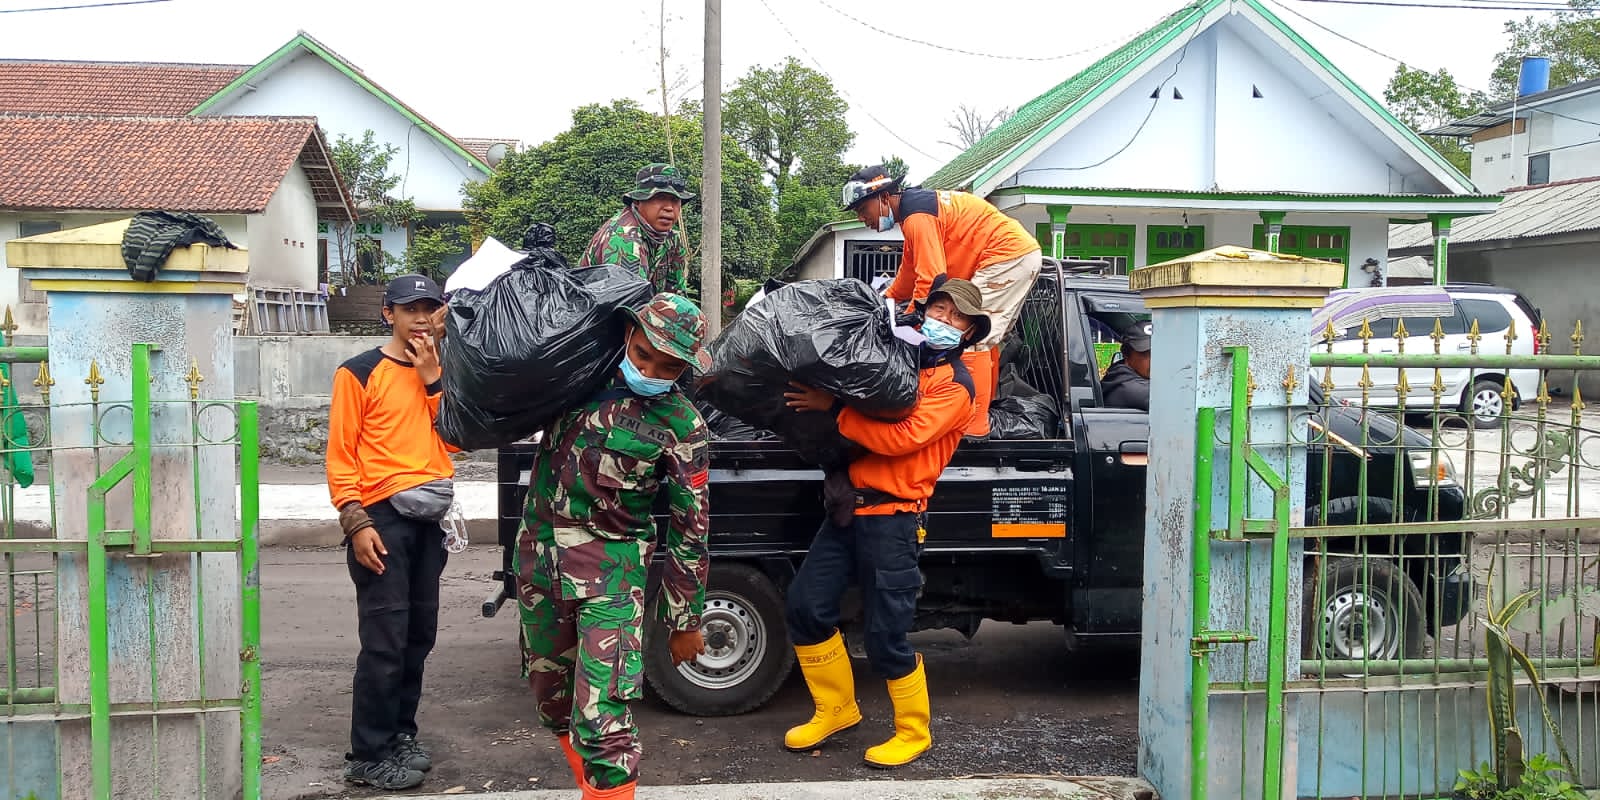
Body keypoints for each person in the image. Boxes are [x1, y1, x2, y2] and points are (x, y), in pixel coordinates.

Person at [780, 277, 991, 769]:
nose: (944, 321)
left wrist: (834, 408)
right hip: (846, 510)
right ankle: (836, 709)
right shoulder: (901, 361)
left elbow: (905, 438)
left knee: (885, 635)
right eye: (939, 309)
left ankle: (913, 732)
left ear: (968, 332)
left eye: (957, 317)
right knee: (805, 607)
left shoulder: (956, 386)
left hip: (894, 519)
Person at [516, 293, 714, 800]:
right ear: (628, 334)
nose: (648, 370)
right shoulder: (580, 377)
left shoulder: (681, 425)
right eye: (643, 354)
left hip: (612, 570)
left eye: (668, 366)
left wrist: (684, 619)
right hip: (539, 560)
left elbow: (691, 528)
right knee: (552, 701)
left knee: (602, 719)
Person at [327, 274, 457, 791]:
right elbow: (341, 455)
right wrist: (354, 520)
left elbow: (456, 441)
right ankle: (368, 753)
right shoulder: (358, 372)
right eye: (409, 309)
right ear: (389, 314)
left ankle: (400, 733)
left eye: (429, 308)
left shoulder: (442, 370)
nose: (420, 318)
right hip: (381, 518)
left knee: (418, 636)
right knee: (384, 641)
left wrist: (432, 380)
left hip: (429, 518)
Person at [842, 165, 1042, 438]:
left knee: (968, 335)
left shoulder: (917, 217)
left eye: (863, 209)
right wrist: (881, 303)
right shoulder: (913, 215)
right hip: (1013, 256)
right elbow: (909, 274)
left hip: (1006, 257)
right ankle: (982, 411)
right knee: (984, 338)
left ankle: (973, 427)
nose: (862, 218)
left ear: (884, 198)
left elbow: (933, 279)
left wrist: (911, 324)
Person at [578, 163, 695, 294]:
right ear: (638, 202)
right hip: (601, 306)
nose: (669, 207)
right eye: (660, 198)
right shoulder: (624, 238)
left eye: (675, 200)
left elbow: (677, 293)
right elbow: (628, 301)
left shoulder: (670, 238)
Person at [1102, 320, 1152, 411]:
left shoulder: (1118, 377)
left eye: (1159, 352)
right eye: (1145, 354)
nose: (1154, 360)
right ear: (1126, 354)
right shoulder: (1131, 388)